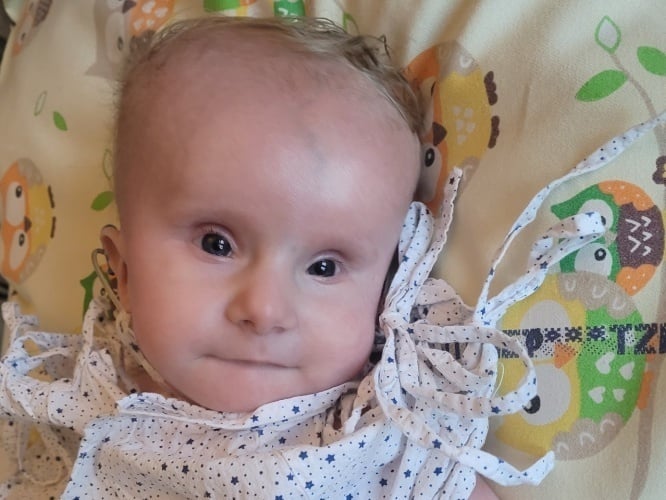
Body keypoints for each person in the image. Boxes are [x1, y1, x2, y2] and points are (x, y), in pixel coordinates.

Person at [0, 16, 553, 498]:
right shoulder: (79, 399)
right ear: (122, 271)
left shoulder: (381, 435)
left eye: (324, 267)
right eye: (217, 244)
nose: (264, 311)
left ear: (388, 289)